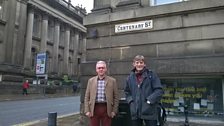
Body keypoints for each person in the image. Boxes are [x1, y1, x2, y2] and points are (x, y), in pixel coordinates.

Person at [124, 55, 164, 126]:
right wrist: (131, 102)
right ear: (134, 64)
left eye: (141, 62)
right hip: (135, 112)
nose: (139, 64)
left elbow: (159, 90)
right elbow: (127, 92)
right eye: (137, 62)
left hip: (150, 111)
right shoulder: (130, 78)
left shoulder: (151, 75)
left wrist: (149, 101)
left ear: (144, 64)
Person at [84, 61, 119, 126]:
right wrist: (87, 110)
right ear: (96, 69)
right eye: (99, 68)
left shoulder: (112, 81)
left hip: (107, 108)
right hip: (94, 108)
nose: (101, 69)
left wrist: (114, 111)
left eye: (103, 68)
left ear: (106, 69)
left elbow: (116, 97)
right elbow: (87, 96)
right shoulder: (91, 81)